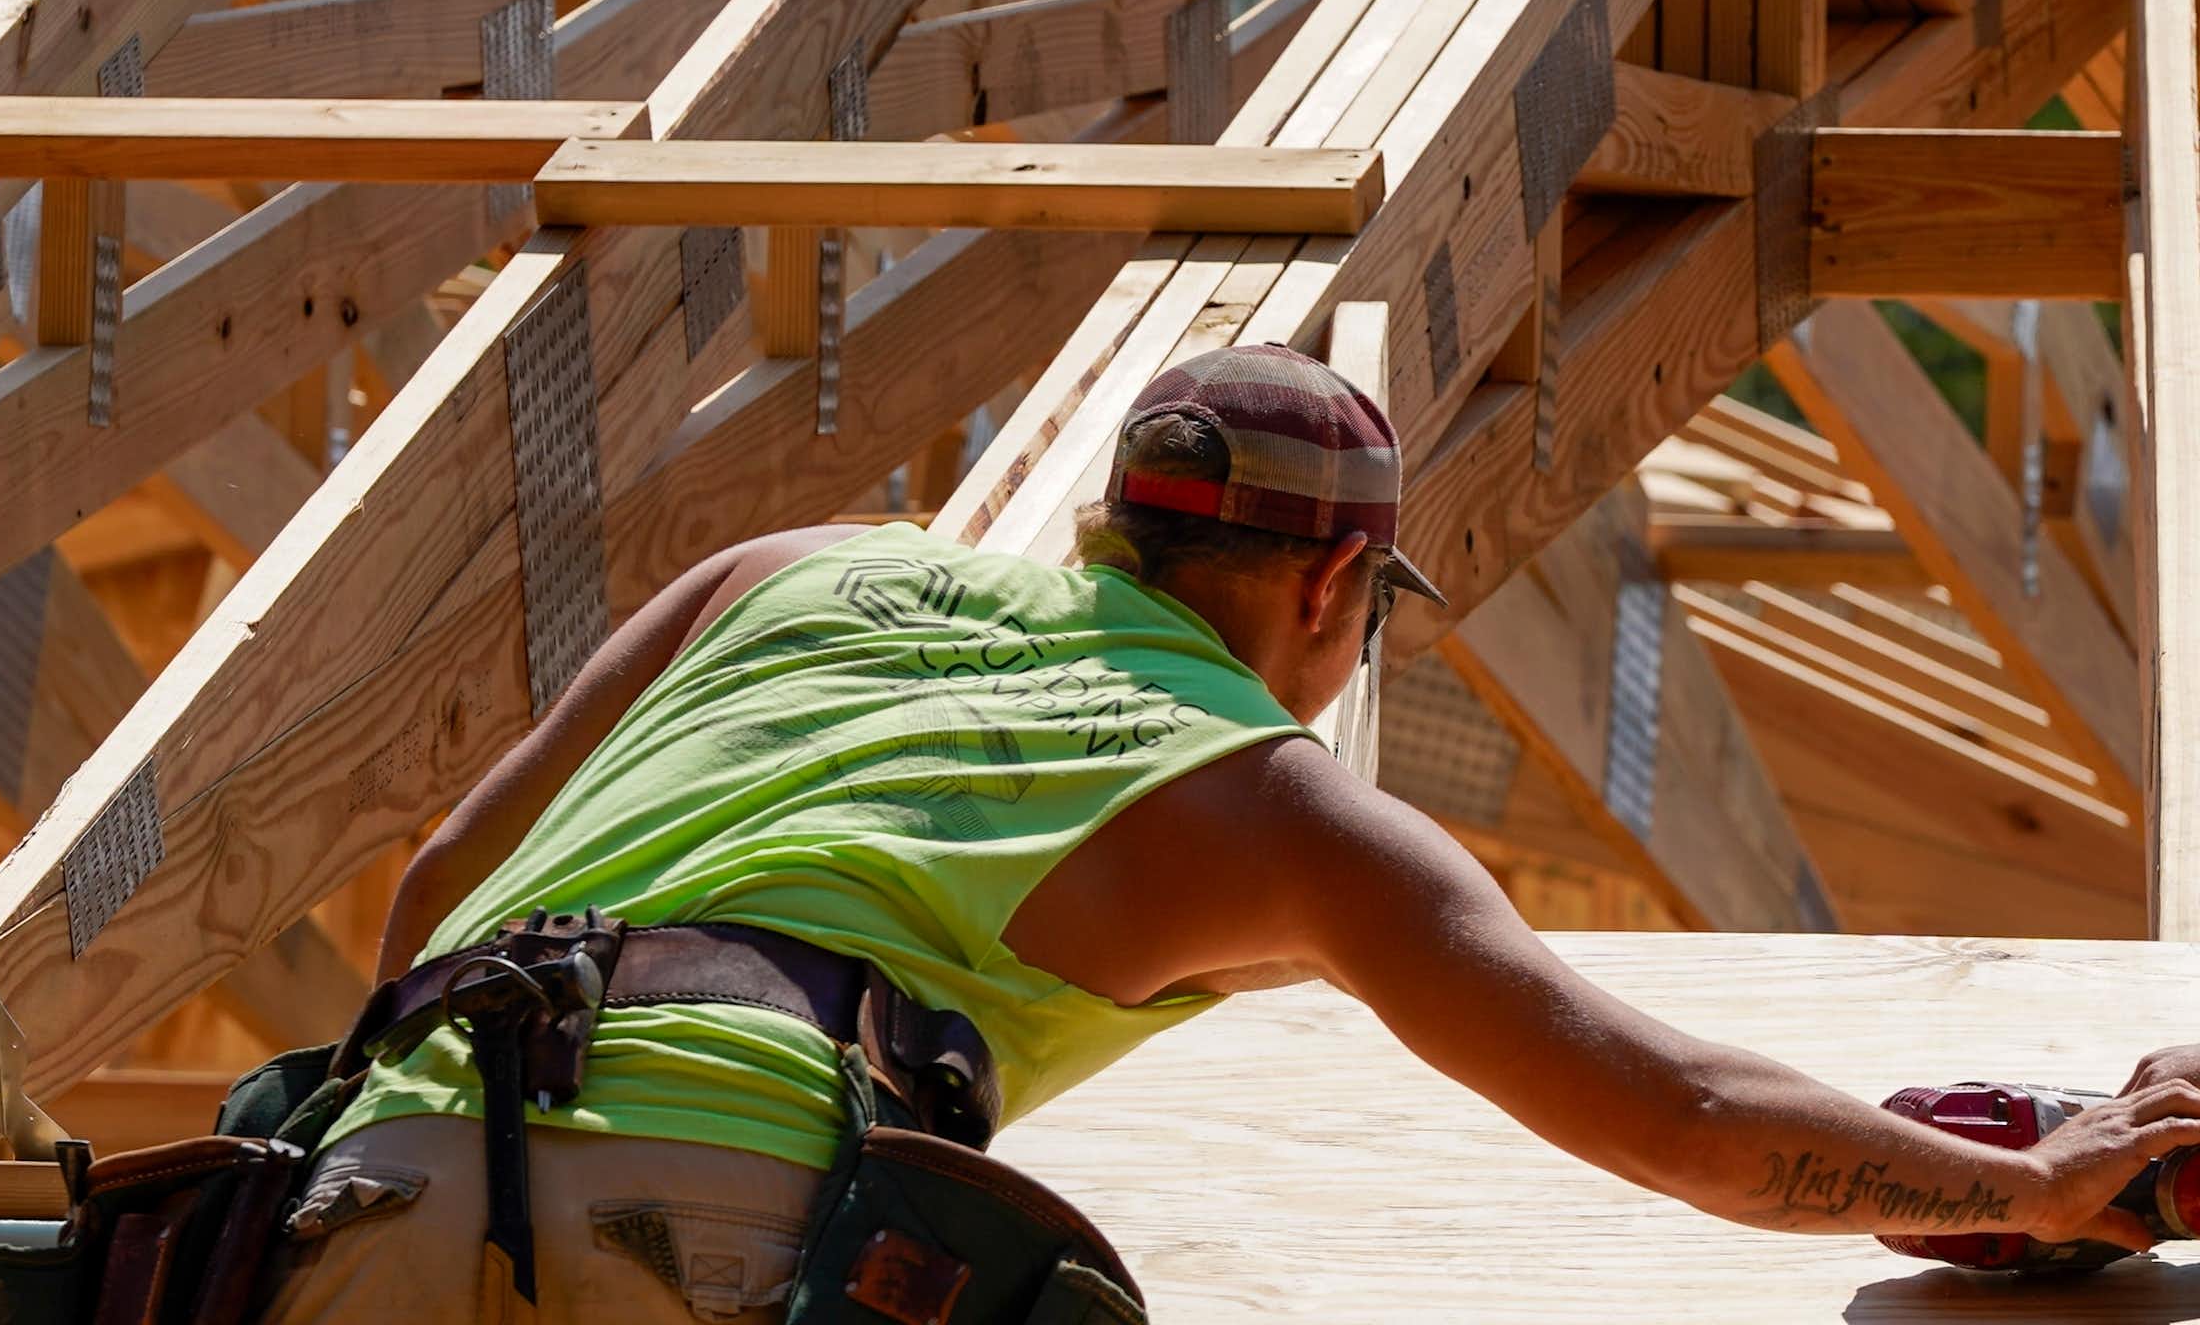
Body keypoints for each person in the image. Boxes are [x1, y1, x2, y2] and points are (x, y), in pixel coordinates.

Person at [259, 345, 2200, 1322]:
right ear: (1336, 584)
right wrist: (2022, 1191)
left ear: (1115, 526)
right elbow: (1674, 1111)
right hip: (720, 1226)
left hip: (357, 1181)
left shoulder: (781, 572)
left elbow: (437, 889)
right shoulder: (1250, 788)